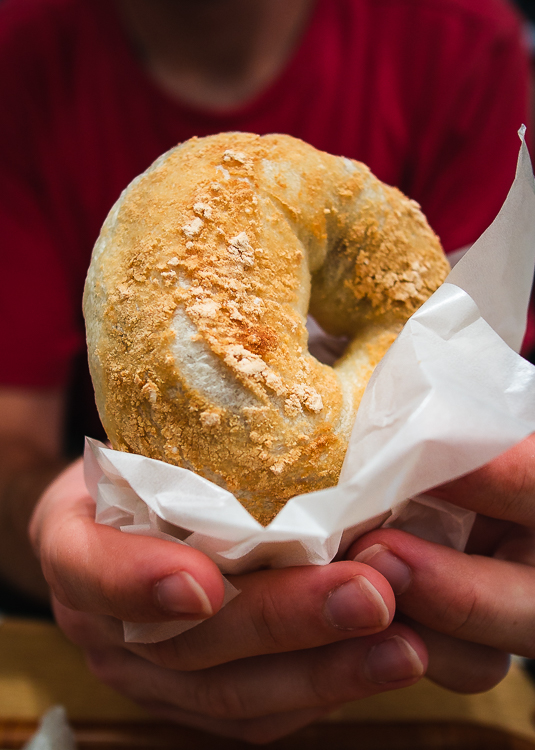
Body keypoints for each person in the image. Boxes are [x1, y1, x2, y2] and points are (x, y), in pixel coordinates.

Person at [0, 0, 534, 742]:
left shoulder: (461, 38)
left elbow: (472, 366)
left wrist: (492, 527)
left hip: (416, 690)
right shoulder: (20, 57)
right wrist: (63, 532)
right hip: (100, 676)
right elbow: (9, 444)